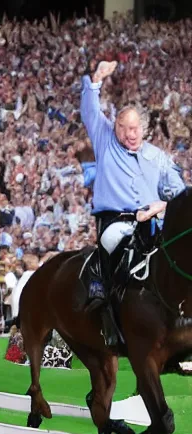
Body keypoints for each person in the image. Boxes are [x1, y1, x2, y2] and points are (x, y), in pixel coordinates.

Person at [80, 61, 186, 345]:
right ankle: (108, 313)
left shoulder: (158, 156)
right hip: (116, 221)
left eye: (135, 128)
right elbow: (90, 113)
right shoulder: (105, 141)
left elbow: (179, 193)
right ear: (115, 127)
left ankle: (181, 322)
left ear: (144, 128)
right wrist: (96, 80)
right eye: (124, 128)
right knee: (116, 244)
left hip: (154, 222)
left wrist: (160, 206)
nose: (130, 133)